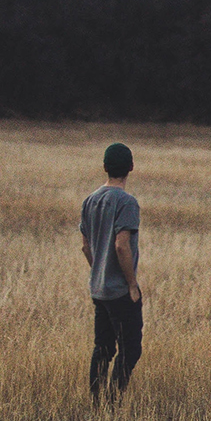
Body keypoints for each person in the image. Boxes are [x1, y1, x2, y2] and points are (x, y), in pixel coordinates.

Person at [80, 141, 142, 405]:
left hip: (99, 289)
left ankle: (96, 401)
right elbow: (121, 245)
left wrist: (99, 270)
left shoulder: (90, 200)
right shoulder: (127, 202)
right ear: (131, 168)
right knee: (131, 349)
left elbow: (85, 246)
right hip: (118, 290)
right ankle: (113, 403)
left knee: (103, 347)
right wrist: (132, 284)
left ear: (104, 167)